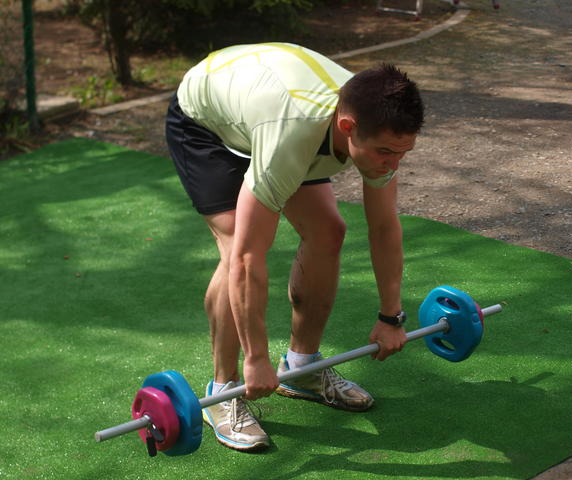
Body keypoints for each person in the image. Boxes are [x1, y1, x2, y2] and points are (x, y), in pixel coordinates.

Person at [165, 42, 424, 452]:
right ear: (347, 127)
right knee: (234, 245)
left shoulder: (374, 128)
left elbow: (383, 226)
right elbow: (248, 258)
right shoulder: (293, 134)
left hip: (270, 114)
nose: (393, 165)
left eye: (402, 154)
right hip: (207, 124)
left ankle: (303, 367)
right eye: (385, 153)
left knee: (328, 231)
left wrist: (392, 316)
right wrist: (255, 357)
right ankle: (223, 389)